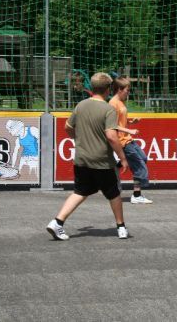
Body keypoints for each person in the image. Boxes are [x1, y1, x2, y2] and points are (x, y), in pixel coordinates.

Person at [46, 72, 130, 240]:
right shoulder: (108, 109)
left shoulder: (81, 105)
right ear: (108, 89)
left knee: (79, 191)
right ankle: (121, 227)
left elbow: (68, 127)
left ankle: (57, 223)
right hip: (102, 161)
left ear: (92, 87)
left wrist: (78, 138)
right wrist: (123, 158)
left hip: (82, 159)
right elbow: (112, 137)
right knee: (114, 194)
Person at [110, 76, 153, 204]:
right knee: (140, 165)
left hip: (128, 139)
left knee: (143, 158)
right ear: (119, 89)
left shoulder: (121, 103)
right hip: (122, 141)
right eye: (127, 90)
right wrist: (129, 131)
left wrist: (130, 122)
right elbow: (111, 124)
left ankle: (116, 167)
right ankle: (137, 195)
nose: (128, 93)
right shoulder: (113, 104)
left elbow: (120, 122)